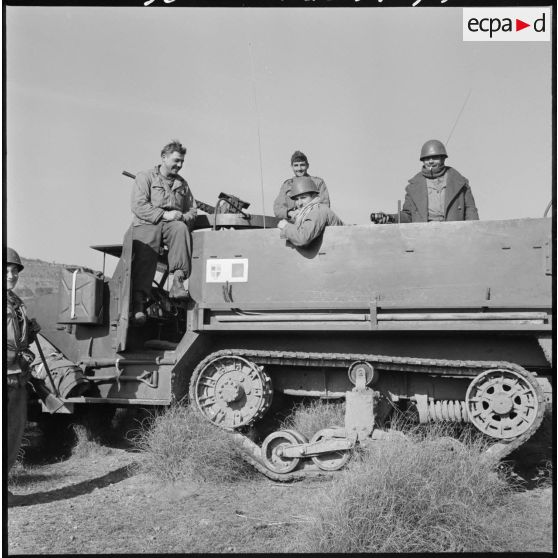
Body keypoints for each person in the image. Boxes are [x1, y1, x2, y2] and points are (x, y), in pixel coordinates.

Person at [131, 139, 197, 324]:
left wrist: (181, 217)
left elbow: (192, 210)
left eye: (182, 161)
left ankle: (178, 281)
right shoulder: (145, 177)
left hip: (171, 225)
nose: (180, 165)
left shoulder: (182, 184)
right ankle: (138, 304)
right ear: (163, 158)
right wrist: (164, 215)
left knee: (180, 228)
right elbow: (138, 206)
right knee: (147, 246)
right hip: (147, 222)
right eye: (176, 160)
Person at [371, 139, 479, 224]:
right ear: (423, 161)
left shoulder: (460, 183)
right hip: (423, 238)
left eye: (435, 157)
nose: (431, 161)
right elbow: (408, 216)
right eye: (427, 159)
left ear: (443, 159)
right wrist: (390, 218)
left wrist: (473, 236)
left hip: (454, 238)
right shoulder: (413, 187)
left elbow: (471, 212)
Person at [6, 247, 40, 479]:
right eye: (5, 270)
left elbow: (16, 338)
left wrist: (30, 334)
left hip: (17, 375)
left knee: (13, 433)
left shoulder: (16, 302)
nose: (11, 275)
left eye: (15, 271)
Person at [278, 176, 343, 247]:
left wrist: (286, 227)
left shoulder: (318, 210)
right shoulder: (310, 210)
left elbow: (303, 238)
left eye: (303, 198)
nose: (299, 203)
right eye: (296, 199)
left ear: (314, 196)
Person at [273, 150, 330, 222]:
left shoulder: (318, 183)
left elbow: (325, 206)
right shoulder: (287, 185)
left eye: (302, 165)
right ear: (292, 167)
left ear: (307, 166)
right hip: (292, 223)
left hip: (312, 221)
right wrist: (291, 213)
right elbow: (278, 209)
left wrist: (304, 213)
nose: (299, 169)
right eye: (296, 165)